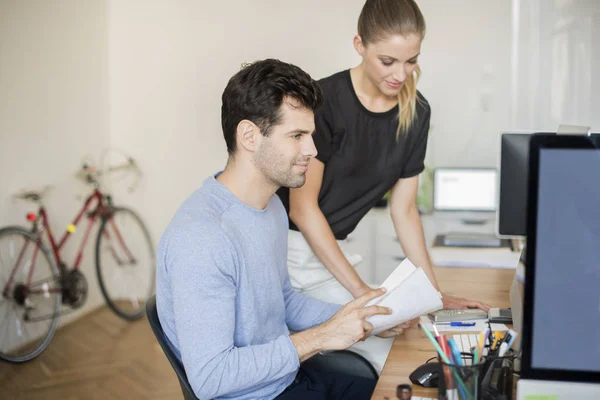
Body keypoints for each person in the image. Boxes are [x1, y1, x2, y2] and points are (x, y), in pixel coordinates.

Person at [156, 59, 404, 400]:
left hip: (289, 379)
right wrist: (321, 337)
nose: (313, 150)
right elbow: (211, 377)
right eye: (297, 136)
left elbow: (284, 303)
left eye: (311, 135)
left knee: (398, 390)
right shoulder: (202, 237)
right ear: (249, 136)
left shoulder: (271, 205)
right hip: (257, 396)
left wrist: (367, 318)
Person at [277, 0, 489, 374]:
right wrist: (361, 292)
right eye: (388, 61)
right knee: (387, 352)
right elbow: (303, 209)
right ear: (359, 45)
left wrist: (431, 295)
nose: (401, 74)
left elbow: (404, 210)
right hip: (285, 254)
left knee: (407, 335)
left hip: (329, 253)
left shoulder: (416, 112)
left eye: (411, 61)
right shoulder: (325, 103)